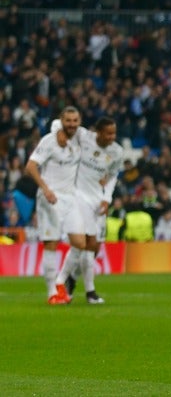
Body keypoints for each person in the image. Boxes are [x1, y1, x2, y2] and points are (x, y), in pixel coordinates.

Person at [49, 116, 123, 304]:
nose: (112, 137)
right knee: (82, 244)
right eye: (108, 133)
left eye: (114, 133)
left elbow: (113, 176)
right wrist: (59, 133)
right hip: (77, 197)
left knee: (93, 248)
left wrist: (107, 198)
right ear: (98, 132)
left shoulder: (117, 152)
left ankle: (71, 280)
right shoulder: (84, 136)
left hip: (97, 202)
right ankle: (80, 289)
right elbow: (59, 123)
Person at [24, 106, 87, 304]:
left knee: (80, 243)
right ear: (62, 120)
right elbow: (30, 166)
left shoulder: (81, 139)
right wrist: (45, 188)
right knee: (51, 244)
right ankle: (52, 293)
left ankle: (60, 281)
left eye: (75, 121)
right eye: (68, 121)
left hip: (70, 198)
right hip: (49, 198)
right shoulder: (49, 141)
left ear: (79, 121)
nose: (72, 124)